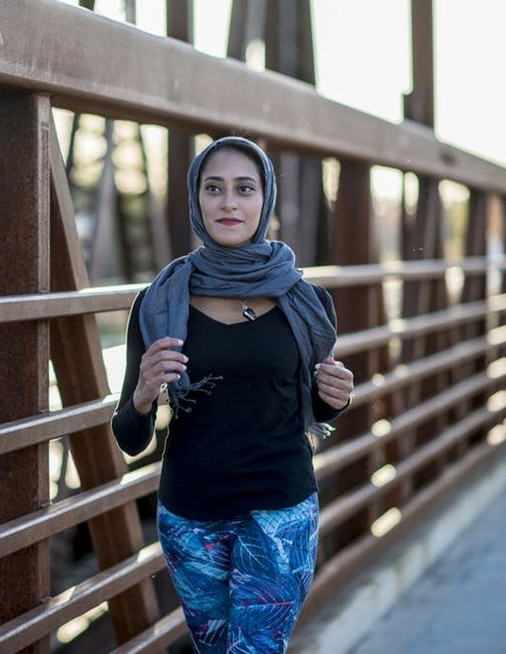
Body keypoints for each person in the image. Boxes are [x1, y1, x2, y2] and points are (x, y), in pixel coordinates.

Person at [110, 136, 354, 653]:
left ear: (264, 200)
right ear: (196, 199)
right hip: (190, 513)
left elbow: (313, 402)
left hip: (279, 508)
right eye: (214, 188)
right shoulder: (158, 302)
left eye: (244, 189)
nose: (228, 202)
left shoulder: (305, 301)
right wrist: (143, 394)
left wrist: (336, 394)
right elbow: (129, 438)